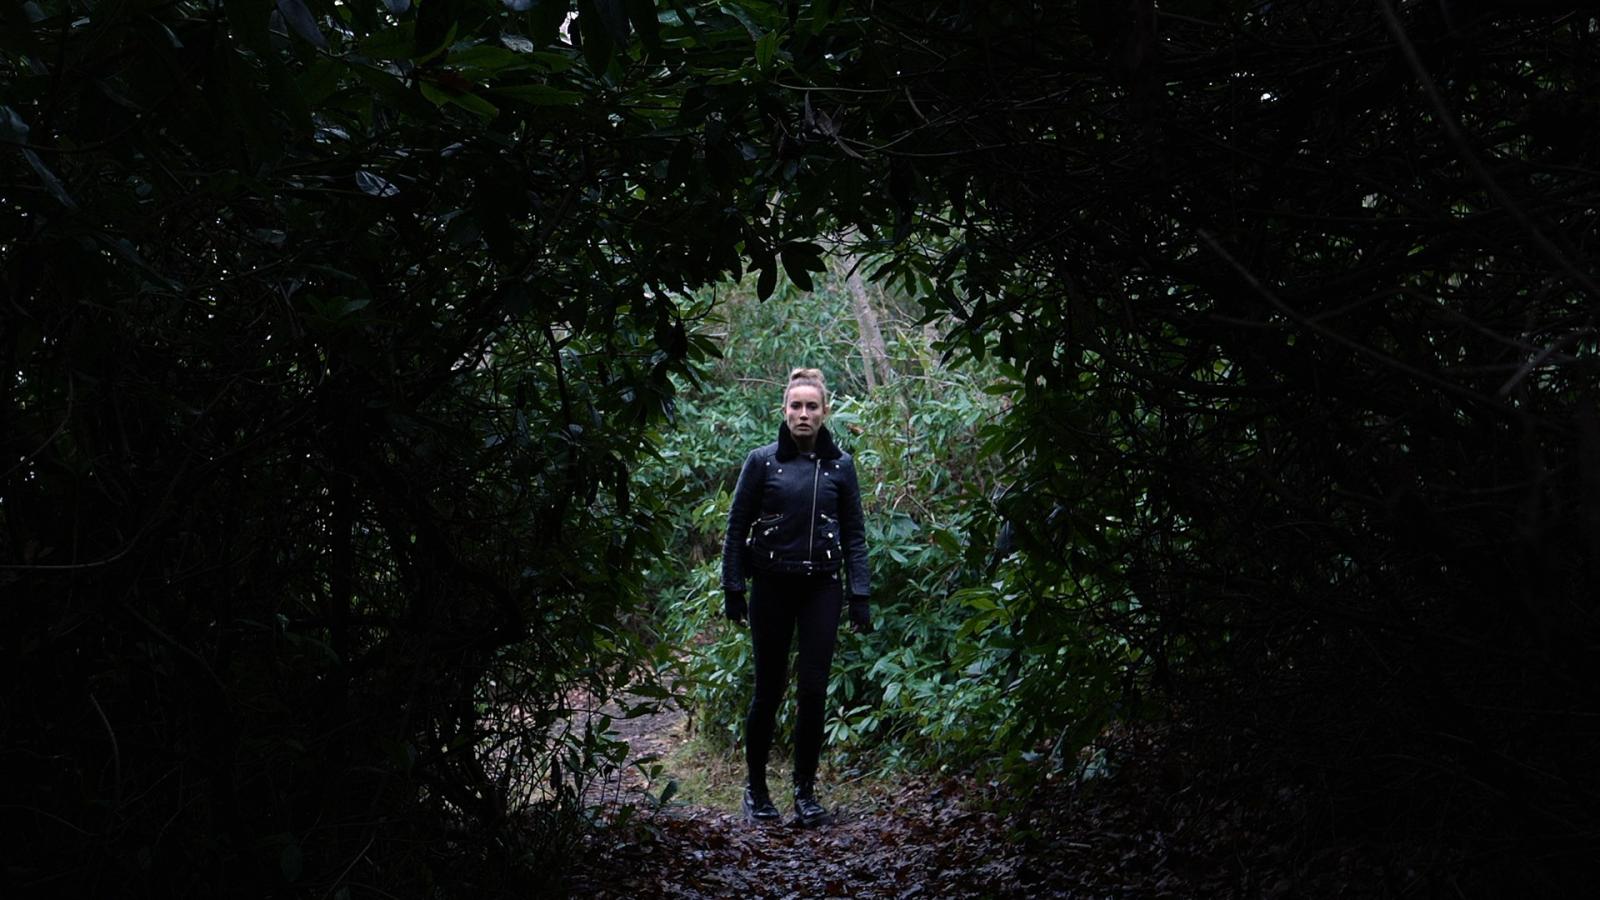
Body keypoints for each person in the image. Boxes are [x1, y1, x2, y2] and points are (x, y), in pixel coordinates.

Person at [721, 367, 873, 827]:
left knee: (813, 691)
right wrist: (733, 587)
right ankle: (756, 791)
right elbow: (736, 527)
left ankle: (805, 793)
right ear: (784, 410)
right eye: (796, 406)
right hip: (771, 586)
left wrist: (860, 594)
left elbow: (854, 534)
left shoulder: (841, 465)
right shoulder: (761, 462)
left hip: (821, 588)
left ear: (825, 412)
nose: (803, 414)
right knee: (768, 691)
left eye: (811, 406)